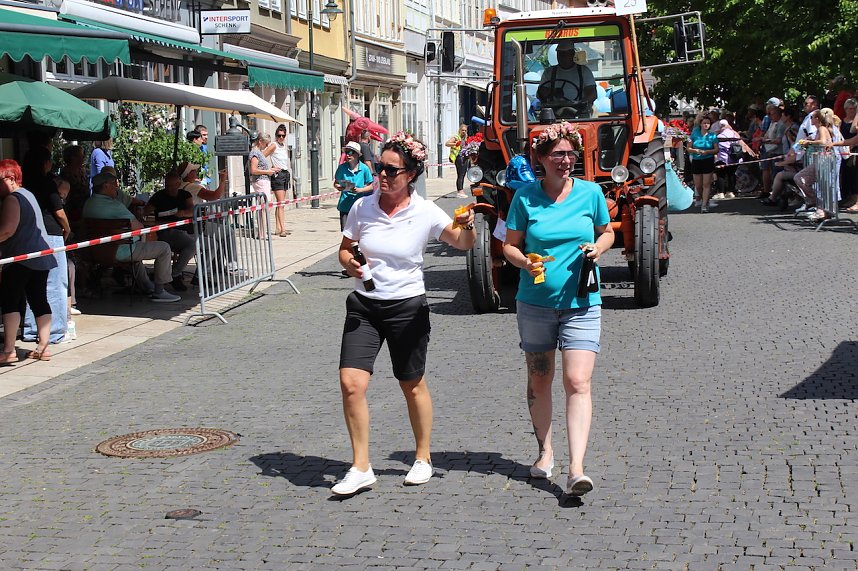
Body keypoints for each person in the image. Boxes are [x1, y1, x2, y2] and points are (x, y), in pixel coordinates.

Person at [332, 131, 476, 495]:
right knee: (351, 384)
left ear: (411, 174)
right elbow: (345, 249)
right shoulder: (362, 207)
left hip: (407, 307)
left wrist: (468, 227)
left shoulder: (425, 211)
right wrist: (350, 264)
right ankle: (360, 467)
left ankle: (423, 457)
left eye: (391, 170)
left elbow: (461, 242)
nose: (382, 175)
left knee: (411, 383)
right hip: (364, 304)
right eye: (380, 167)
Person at [500, 121, 613, 497]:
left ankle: (576, 468)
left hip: (582, 302)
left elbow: (607, 231)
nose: (566, 160)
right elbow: (509, 245)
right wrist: (525, 262)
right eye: (558, 154)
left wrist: (599, 247)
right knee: (540, 379)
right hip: (535, 305)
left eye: (570, 153)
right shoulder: (525, 198)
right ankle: (545, 451)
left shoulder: (591, 193)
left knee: (578, 382)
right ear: (541, 159)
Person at [82, 172, 180, 302]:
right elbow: (139, 228)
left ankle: (147, 286)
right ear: (105, 186)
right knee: (164, 248)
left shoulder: (88, 204)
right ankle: (159, 291)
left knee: (136, 254)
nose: (117, 188)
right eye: (114, 184)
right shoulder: (115, 206)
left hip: (96, 252)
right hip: (120, 251)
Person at [0, 159, 58, 364]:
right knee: (39, 300)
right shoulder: (29, 194)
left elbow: (7, 230)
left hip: (20, 258)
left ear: (10, 178)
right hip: (41, 256)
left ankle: (9, 350)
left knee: (10, 301)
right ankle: (44, 347)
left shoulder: (12, 199)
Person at [21, 147, 69, 345]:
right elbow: (58, 211)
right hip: (51, 233)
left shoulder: (24, 184)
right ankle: (54, 330)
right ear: (45, 163)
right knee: (55, 283)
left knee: (33, 284)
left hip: (30, 234)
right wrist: (67, 228)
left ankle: (32, 329)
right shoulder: (47, 182)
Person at [145, 171, 196, 291]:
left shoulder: (185, 195)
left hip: (187, 229)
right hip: (167, 231)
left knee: (210, 243)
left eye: (172, 185)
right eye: (167, 185)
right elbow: (146, 211)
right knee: (193, 244)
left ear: (178, 184)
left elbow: (193, 210)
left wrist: (183, 213)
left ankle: (200, 276)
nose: (169, 188)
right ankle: (175, 274)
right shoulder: (159, 196)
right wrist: (142, 211)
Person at [537, 40, 596, 118]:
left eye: (566, 54)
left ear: (572, 54)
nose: (563, 57)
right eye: (560, 54)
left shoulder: (584, 71)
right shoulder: (549, 72)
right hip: (554, 110)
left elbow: (592, 92)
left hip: (578, 110)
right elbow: (540, 93)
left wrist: (582, 102)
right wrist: (552, 92)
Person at [334, 141, 374, 231]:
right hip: (345, 205)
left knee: (358, 231)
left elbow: (371, 186)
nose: (348, 155)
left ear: (357, 154)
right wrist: (339, 187)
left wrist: (360, 190)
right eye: (346, 152)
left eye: (351, 152)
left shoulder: (364, 168)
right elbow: (336, 183)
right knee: (346, 232)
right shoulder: (342, 168)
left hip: (359, 205)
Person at [687, 113, 719, 212]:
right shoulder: (694, 133)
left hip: (708, 160)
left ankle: (704, 205)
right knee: (698, 185)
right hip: (696, 160)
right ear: (701, 124)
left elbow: (716, 149)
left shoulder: (712, 135)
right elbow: (688, 148)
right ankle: (704, 199)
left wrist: (707, 152)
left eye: (708, 123)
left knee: (706, 184)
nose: (706, 125)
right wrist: (695, 150)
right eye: (704, 123)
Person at [270, 124, 293, 237]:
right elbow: (262, 155)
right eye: (279, 135)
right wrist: (270, 168)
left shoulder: (283, 146)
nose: (281, 138)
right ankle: (283, 229)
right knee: (281, 203)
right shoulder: (273, 145)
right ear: (276, 136)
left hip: (285, 173)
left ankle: (278, 228)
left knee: (280, 203)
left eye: (283, 136)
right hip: (278, 175)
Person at [60, 145, 89, 222]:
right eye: (81, 156)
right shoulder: (65, 174)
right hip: (71, 212)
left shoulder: (83, 172)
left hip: (85, 210)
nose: (83, 158)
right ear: (73, 157)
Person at [445, 124, 469, 198]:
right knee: (460, 174)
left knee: (463, 174)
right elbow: (447, 143)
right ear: (459, 130)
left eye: (465, 130)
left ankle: (461, 190)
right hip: (459, 157)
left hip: (465, 157)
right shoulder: (456, 137)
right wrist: (455, 144)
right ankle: (460, 191)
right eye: (462, 130)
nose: (464, 132)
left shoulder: (465, 137)